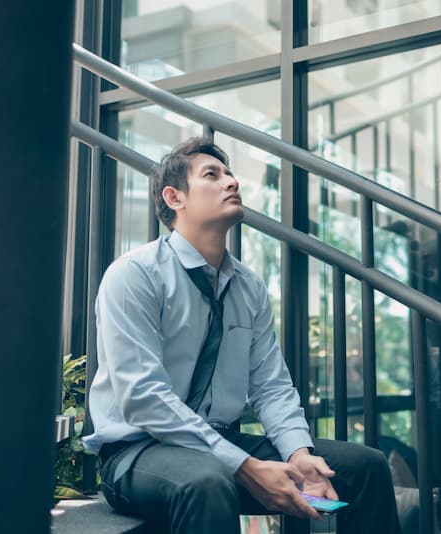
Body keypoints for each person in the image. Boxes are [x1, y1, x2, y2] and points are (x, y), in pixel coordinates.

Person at [83, 136, 401, 534]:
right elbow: (143, 399)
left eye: (230, 174)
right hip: (137, 452)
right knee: (207, 480)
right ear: (174, 197)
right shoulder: (135, 274)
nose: (231, 182)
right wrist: (244, 466)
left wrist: (299, 453)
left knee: (364, 467)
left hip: (218, 442)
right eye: (212, 175)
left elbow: (271, 386)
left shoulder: (248, 288)